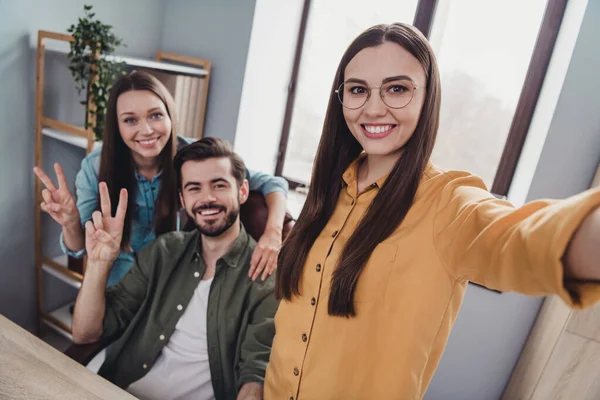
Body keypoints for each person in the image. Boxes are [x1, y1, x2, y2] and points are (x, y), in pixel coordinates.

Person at [264, 23, 600, 399]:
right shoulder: (327, 188)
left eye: (397, 89)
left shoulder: (448, 202)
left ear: (428, 97)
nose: (374, 108)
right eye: (358, 90)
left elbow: (518, 239)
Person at [33, 71, 287, 286]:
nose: (146, 130)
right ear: (117, 126)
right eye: (130, 120)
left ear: (170, 116)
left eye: (155, 115)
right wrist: (70, 222)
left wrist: (273, 233)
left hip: (175, 276)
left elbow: (273, 183)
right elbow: (81, 248)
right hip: (119, 280)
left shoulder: (194, 157)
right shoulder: (95, 167)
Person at [71, 137, 278, 400]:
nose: (207, 198)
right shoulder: (165, 250)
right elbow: (85, 333)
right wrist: (99, 264)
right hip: (116, 385)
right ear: (182, 198)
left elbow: (255, 373)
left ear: (243, 191)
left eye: (219, 185)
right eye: (194, 188)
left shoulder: (265, 274)